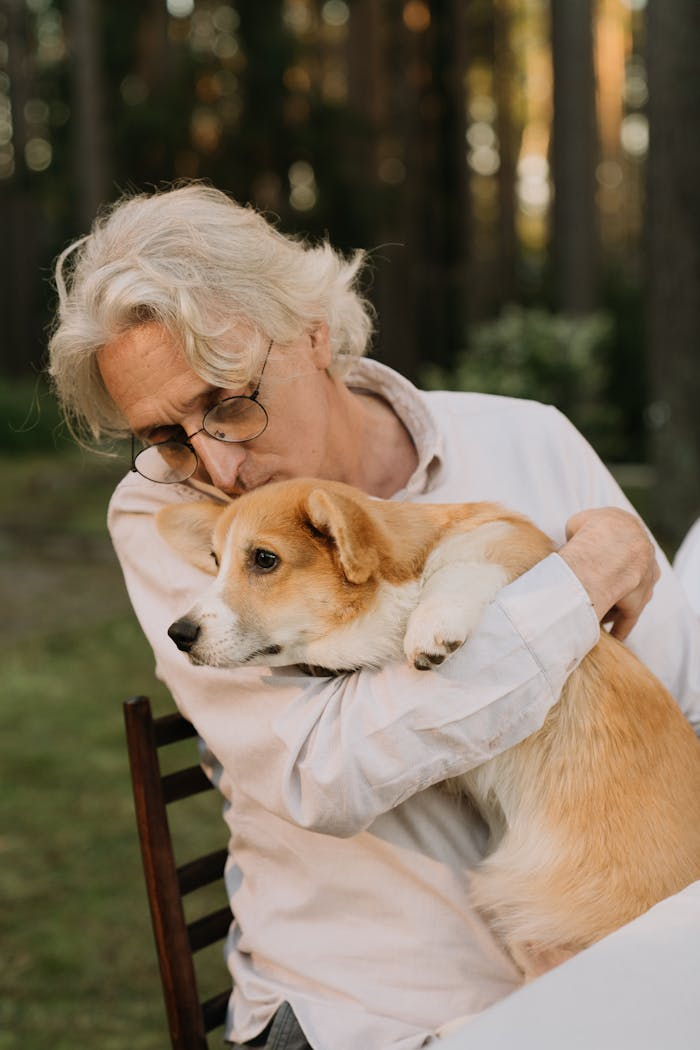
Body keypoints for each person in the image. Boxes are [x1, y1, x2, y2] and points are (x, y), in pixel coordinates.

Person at [48, 184, 700, 1050]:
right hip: (371, 1011)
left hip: (615, 975)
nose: (214, 467)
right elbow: (326, 769)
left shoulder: (528, 441)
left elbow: (676, 699)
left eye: (228, 401)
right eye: (166, 435)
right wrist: (567, 589)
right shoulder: (169, 516)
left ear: (314, 331)